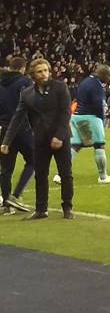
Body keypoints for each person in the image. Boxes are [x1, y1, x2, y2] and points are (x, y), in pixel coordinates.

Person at [0, 58, 74, 219]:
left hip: (61, 137)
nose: (44, 74)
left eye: (46, 70)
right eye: (40, 71)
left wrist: (59, 136)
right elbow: (17, 117)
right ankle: (41, 209)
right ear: (33, 74)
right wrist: (6, 141)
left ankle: (67, 207)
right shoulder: (26, 93)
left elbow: (65, 113)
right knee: (40, 174)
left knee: (65, 173)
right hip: (40, 139)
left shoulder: (60, 87)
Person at [70, 64, 110, 184]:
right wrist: (101, 119)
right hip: (91, 117)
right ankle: (103, 177)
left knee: (76, 146)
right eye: (109, 76)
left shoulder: (84, 81)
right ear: (104, 75)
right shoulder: (96, 85)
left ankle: (60, 174)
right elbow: (98, 104)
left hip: (77, 116)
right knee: (99, 145)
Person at [0, 55, 34, 213]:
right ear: (22, 68)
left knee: (6, 167)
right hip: (21, 127)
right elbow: (31, 104)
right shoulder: (24, 82)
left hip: (3, 128)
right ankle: (15, 196)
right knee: (34, 160)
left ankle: (6, 203)